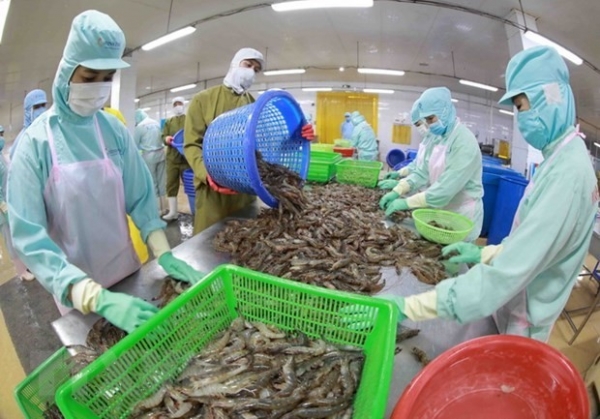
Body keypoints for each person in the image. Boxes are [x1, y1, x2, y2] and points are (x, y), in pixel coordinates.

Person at [360, 46, 599, 343]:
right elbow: (530, 242)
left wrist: (409, 306)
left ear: (549, 99)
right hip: (517, 298)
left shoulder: (569, 175)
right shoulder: (562, 157)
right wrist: (486, 252)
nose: (519, 117)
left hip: (526, 313)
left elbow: (506, 275)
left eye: (522, 106)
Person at [7, 10, 204, 333]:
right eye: (88, 78)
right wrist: (94, 297)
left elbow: (140, 196)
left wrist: (163, 252)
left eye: (107, 77)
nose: (98, 87)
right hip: (77, 289)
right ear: (67, 71)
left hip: (127, 273)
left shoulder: (112, 129)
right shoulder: (35, 144)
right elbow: (31, 239)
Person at [184, 48, 314, 235]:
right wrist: (206, 173)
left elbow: (267, 145)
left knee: (241, 241)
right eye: (248, 65)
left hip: (245, 190)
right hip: (213, 192)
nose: (251, 71)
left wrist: (297, 136)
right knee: (208, 241)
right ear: (235, 64)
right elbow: (191, 144)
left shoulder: (255, 106)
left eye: (256, 69)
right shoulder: (203, 100)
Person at [379, 87, 483, 242]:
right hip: (439, 208)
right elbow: (422, 172)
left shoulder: (464, 142)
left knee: (456, 259)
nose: (428, 125)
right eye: (426, 120)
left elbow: (446, 189)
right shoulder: (437, 137)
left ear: (445, 111)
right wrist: (398, 189)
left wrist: (406, 202)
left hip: (460, 214)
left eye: (430, 119)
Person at [378, 100, 436, 193]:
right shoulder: (427, 140)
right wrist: (399, 173)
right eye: (417, 125)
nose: (419, 128)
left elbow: (425, 175)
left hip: (430, 192)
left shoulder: (440, 143)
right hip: (422, 190)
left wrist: (402, 185)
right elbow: (416, 165)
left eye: (420, 124)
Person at [162, 96, 190, 221]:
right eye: (175, 104)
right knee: (171, 184)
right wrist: (166, 139)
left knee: (190, 184)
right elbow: (163, 136)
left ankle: (193, 208)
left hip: (186, 158)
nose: (177, 106)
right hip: (172, 158)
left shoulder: (189, 119)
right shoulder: (169, 121)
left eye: (180, 103)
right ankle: (173, 212)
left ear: (183, 105)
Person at [135, 109, 166, 214]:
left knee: (152, 182)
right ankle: (164, 208)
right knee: (162, 181)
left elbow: (135, 144)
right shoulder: (156, 123)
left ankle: (157, 210)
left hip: (149, 156)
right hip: (161, 153)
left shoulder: (140, 127)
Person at [10, 89, 48, 159]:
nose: (41, 110)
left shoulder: (45, 134)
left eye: (43, 105)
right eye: (37, 107)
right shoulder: (23, 139)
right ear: (28, 111)